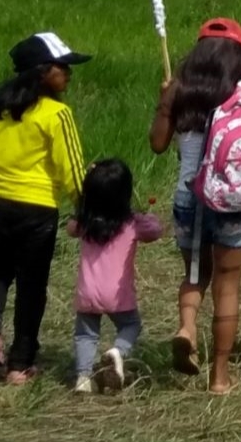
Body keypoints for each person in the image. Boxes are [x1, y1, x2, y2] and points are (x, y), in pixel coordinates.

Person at [150, 18, 241, 394]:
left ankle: (187, 328)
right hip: (232, 199)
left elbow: (158, 144)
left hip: (190, 197)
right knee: (228, 287)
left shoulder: (179, 88)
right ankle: (219, 376)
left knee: (194, 274)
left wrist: (164, 102)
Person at [0, 32, 90, 384]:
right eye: (62, 67)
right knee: (32, 285)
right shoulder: (57, 114)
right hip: (36, 209)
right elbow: (72, 167)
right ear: (41, 72)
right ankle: (20, 365)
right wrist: (84, 208)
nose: (69, 74)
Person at [67, 159, 163, 394]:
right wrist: (144, 214)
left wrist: (83, 200)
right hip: (117, 296)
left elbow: (70, 227)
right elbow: (156, 230)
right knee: (131, 324)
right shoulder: (131, 224)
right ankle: (117, 352)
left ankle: (83, 377)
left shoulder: (84, 224)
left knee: (85, 334)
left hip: (87, 292)